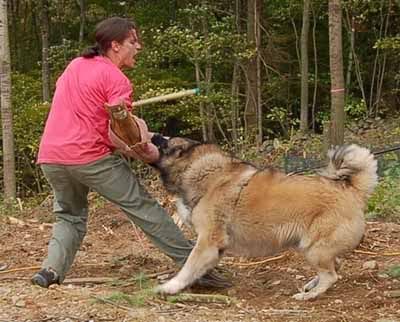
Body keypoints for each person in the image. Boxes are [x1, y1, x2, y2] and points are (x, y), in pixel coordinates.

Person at [31, 16, 230, 289]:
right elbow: (120, 131)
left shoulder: (76, 65)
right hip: (89, 156)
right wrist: (148, 151)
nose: (139, 47)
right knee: (142, 207)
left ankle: (50, 272)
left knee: (69, 216)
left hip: (51, 157)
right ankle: (195, 268)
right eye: (133, 42)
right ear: (115, 45)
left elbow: (92, 114)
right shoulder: (116, 79)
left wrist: (135, 132)